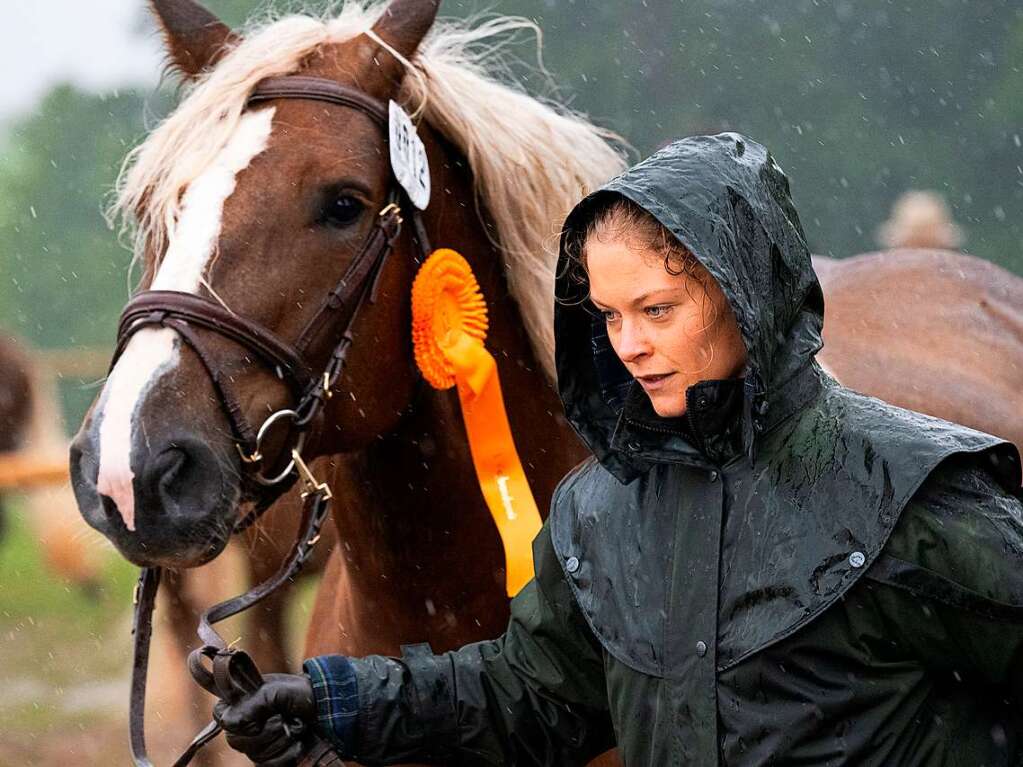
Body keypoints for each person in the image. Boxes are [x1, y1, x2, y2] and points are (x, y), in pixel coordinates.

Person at [214, 134, 1023, 766]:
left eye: (658, 308)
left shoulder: (918, 497)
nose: (629, 344)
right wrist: (335, 701)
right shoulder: (597, 512)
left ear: (748, 292)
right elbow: (526, 697)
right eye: (609, 314)